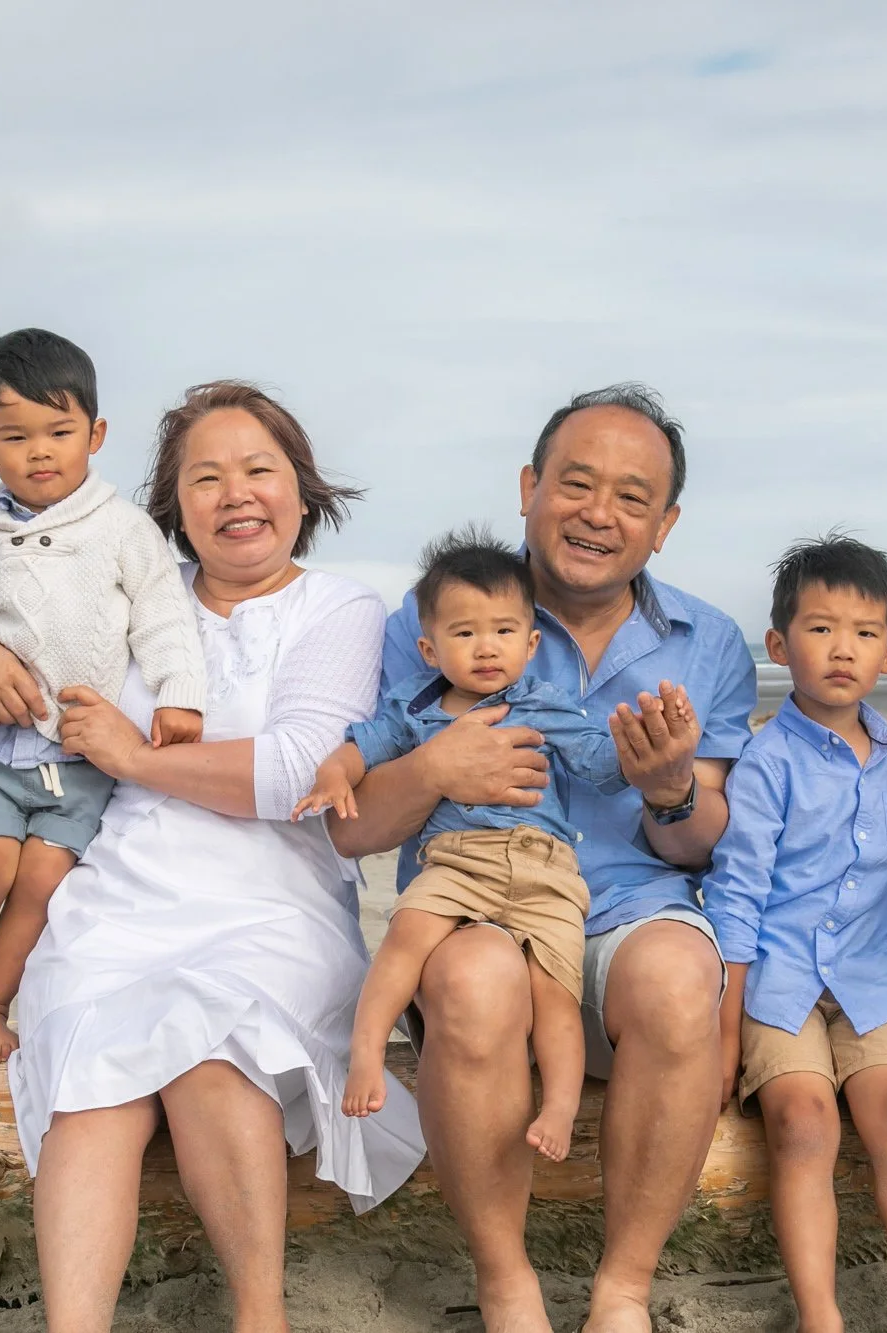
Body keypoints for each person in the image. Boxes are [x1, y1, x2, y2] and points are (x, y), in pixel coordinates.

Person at [0, 381, 424, 1333]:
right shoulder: (127, 595)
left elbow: (297, 768)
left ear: (302, 489)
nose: (235, 494)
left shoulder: (340, 609)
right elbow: (36, 712)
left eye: (259, 470)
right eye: (205, 477)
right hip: (119, 892)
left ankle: (260, 1316)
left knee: (214, 1049)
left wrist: (133, 753)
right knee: (88, 1068)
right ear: (173, 503)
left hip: (272, 895)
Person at [328, 384, 758, 1333]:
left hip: (628, 911)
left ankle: (624, 1290)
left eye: (631, 497)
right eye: (576, 482)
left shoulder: (710, 641)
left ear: (665, 524)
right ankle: (507, 1280)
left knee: (680, 976)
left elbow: (698, 839)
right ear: (528, 486)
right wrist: (437, 763)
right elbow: (356, 830)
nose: (598, 513)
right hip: (477, 902)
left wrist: (670, 788)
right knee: (479, 978)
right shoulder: (436, 617)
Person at [0, 328, 206, 1068]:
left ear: (95, 434)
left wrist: (179, 695)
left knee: (40, 881)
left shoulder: (123, 529)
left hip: (81, 759)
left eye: (59, 432)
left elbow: (163, 615)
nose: (40, 453)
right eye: (15, 436)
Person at [295, 527, 637, 1164]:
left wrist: (640, 750)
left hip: (544, 864)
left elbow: (598, 765)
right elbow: (362, 744)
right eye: (464, 633)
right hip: (454, 860)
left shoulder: (543, 703)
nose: (487, 648)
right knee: (405, 937)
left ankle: (561, 1104)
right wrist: (334, 774)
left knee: (555, 992)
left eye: (504, 631)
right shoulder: (414, 708)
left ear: (531, 642)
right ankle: (367, 1055)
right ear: (429, 646)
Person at [703, 535, 887, 1333]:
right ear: (779, 645)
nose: (842, 647)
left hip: (875, 980)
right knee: (805, 1122)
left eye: (864, 631)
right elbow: (736, 894)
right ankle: (821, 1315)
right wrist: (724, 1030)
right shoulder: (765, 760)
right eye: (819, 628)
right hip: (780, 985)